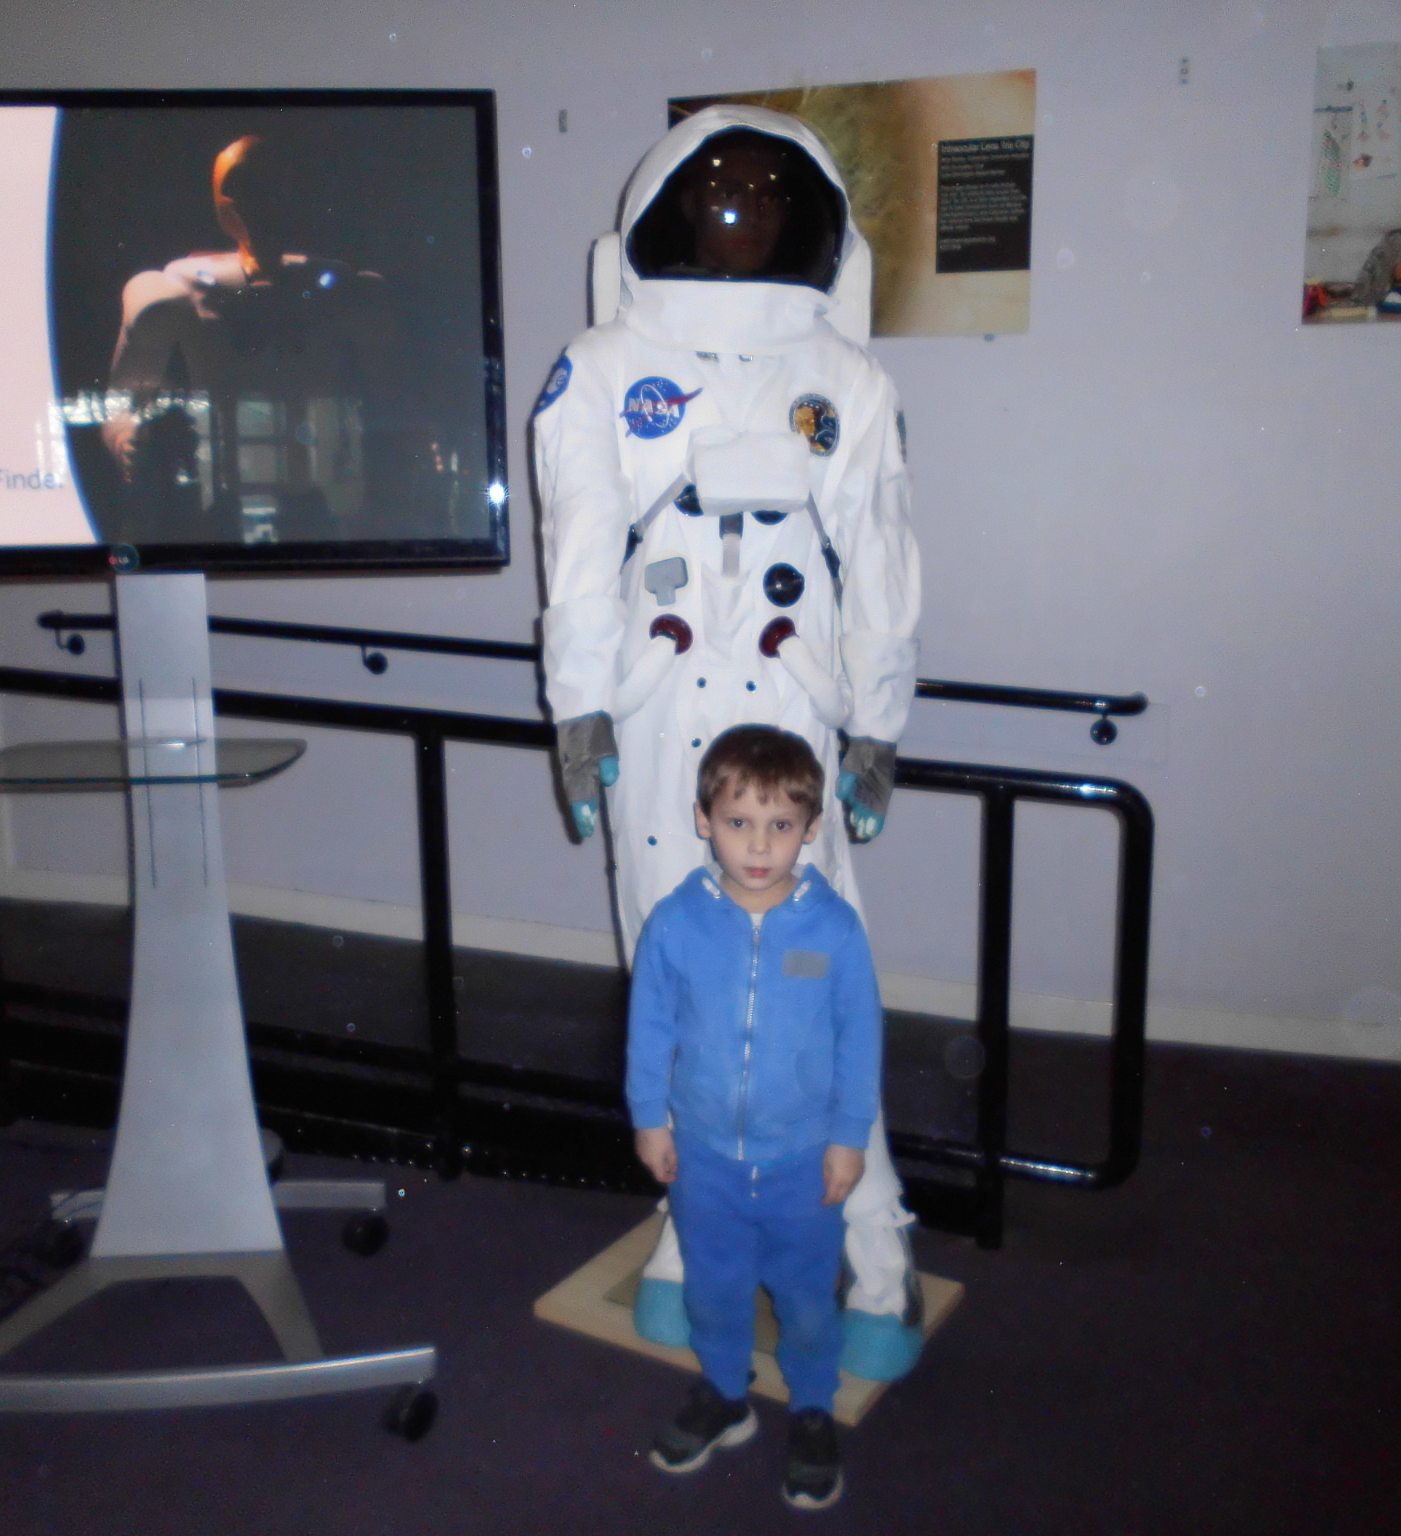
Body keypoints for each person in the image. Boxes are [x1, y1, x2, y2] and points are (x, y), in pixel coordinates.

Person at [533, 103, 926, 1383]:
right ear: (663, 208)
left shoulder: (844, 378)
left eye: (766, 190)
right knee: (678, 975)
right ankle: (692, 1234)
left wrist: (875, 724)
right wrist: (578, 709)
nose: (740, 207)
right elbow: (577, 548)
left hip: (788, 710)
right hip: (654, 720)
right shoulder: (602, 368)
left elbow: (880, 557)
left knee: (815, 981)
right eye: (716, 188)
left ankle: (873, 1246)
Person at [628, 726, 880, 1511]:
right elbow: (649, 1029)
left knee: (806, 1299)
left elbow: (860, 1040)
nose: (760, 845)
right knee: (714, 1289)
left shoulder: (833, 929)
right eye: (739, 822)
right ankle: (724, 1392)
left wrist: (849, 1140)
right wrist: (649, 1117)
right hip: (704, 1158)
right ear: (704, 820)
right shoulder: (675, 922)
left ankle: (812, 1408)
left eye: (781, 825)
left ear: (811, 828)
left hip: (803, 1160)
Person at [99, 134, 426, 547]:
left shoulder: (348, 294)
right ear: (222, 198)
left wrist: (408, 467)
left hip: (316, 502)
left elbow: (395, 400)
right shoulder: (173, 293)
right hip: (222, 502)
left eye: (271, 185)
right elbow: (124, 399)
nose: (258, 201)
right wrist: (128, 439)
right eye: (242, 186)